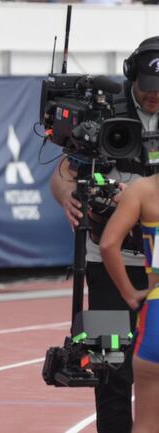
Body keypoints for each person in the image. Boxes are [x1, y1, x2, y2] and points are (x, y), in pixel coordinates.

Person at [49, 35, 159, 433]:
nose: (154, 97)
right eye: (148, 89)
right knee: (111, 367)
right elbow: (61, 174)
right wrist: (66, 196)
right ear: (132, 76)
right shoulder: (103, 111)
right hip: (104, 259)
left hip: (156, 264)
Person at [100, 174, 159, 433]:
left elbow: (108, 243)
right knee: (105, 355)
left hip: (155, 313)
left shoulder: (143, 189)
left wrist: (130, 293)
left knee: (146, 423)